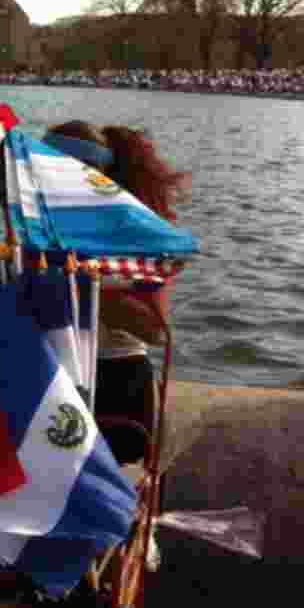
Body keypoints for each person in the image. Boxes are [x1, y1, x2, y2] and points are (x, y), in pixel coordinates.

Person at [44, 121, 190, 464]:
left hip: (115, 382)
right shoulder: (38, 225)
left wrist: (82, 291)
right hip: (54, 374)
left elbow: (154, 330)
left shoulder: (133, 236)